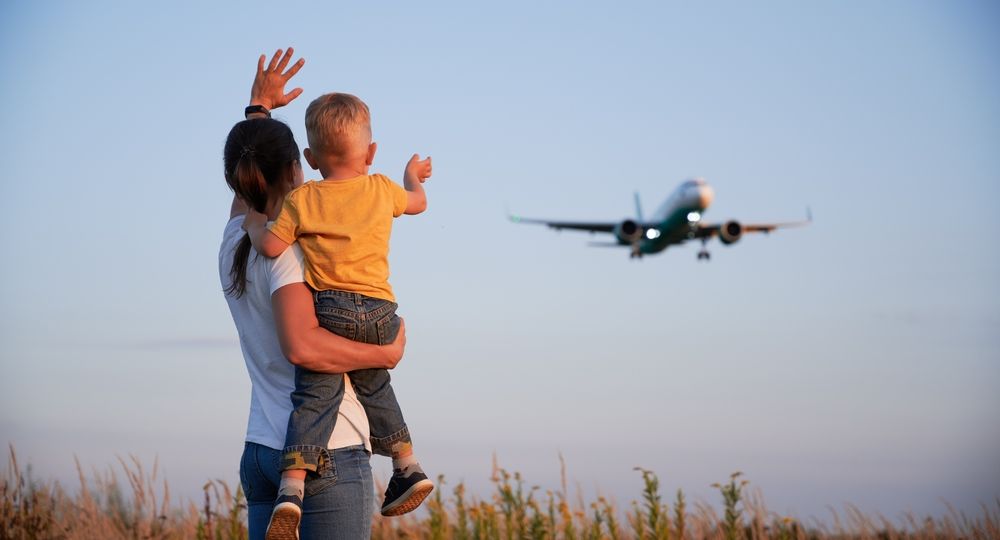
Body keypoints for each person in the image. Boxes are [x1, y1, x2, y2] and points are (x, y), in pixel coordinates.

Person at [220, 48, 400, 540]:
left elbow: (246, 182)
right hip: (325, 453)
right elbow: (303, 346)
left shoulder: (236, 236)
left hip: (261, 449)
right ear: (298, 170)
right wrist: (383, 351)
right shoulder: (294, 252)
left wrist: (258, 108)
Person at [242, 77, 434, 534]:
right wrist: (412, 177)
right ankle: (407, 463)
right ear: (370, 154)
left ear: (309, 159)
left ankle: (292, 484)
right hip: (382, 313)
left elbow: (270, 246)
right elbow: (419, 204)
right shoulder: (383, 188)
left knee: (315, 394)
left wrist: (254, 225)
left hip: (334, 310)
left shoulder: (303, 199)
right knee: (376, 385)